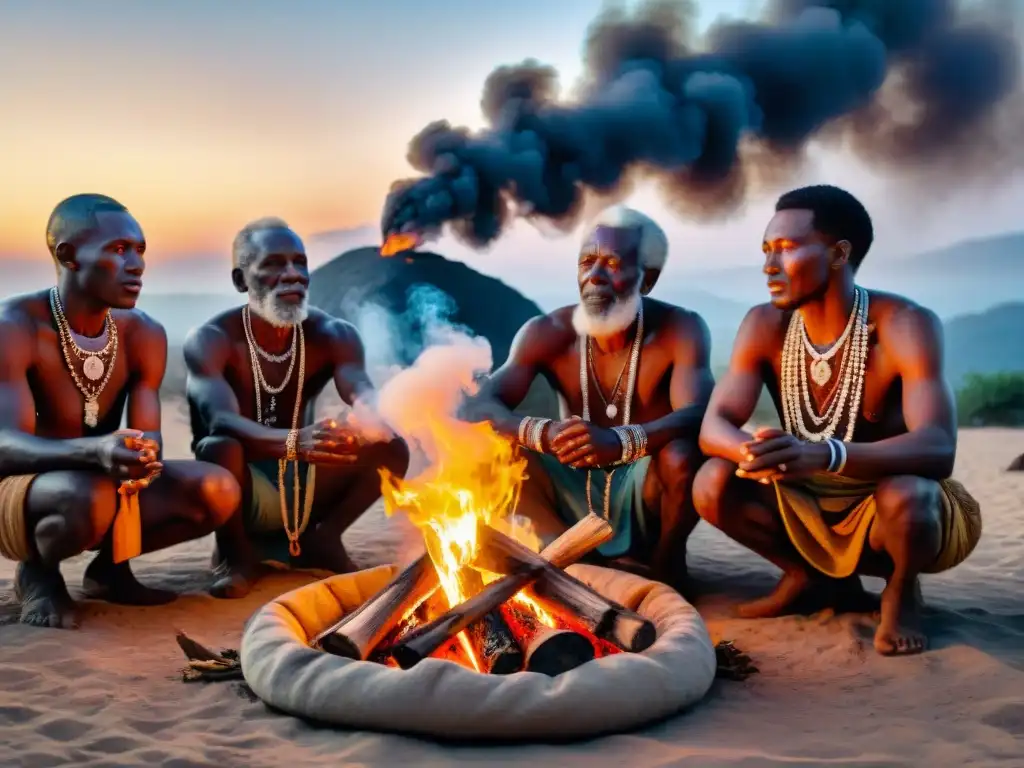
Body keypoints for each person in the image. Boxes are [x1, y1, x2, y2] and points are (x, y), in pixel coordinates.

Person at [693, 184, 982, 656]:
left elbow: (938, 447)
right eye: (766, 250)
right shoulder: (764, 325)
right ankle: (809, 578)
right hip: (804, 495)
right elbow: (714, 426)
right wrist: (758, 453)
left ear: (838, 253)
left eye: (786, 249)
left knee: (909, 492)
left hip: (890, 502)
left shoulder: (904, 323)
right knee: (713, 481)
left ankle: (901, 591)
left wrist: (825, 453)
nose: (769, 266)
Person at [0, 193, 242, 629]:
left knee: (217, 489)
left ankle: (111, 571)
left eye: (140, 250)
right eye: (118, 250)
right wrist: (95, 452)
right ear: (69, 256)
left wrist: (142, 455)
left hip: (101, 481)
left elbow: (148, 437)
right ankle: (37, 573)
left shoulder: (143, 333)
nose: (137, 264)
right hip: (22, 490)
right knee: (85, 496)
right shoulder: (15, 326)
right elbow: (4, 446)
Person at [470, 205, 713, 591]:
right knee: (490, 445)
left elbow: (696, 414)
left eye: (613, 264)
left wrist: (621, 441)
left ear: (646, 279)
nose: (594, 276)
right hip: (569, 477)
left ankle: (667, 567)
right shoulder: (546, 331)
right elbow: (482, 405)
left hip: (642, 480)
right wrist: (543, 434)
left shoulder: (680, 328)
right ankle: (567, 560)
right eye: (587, 262)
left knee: (683, 454)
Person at [184, 217, 409, 599]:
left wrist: (369, 416)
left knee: (390, 445)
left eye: (299, 263)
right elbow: (220, 419)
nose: (292, 275)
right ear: (241, 280)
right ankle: (236, 556)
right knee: (219, 446)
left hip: (302, 476)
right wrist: (293, 442)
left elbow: (361, 391)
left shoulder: (333, 335)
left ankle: (323, 539)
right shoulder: (212, 339)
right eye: (272, 264)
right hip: (239, 479)